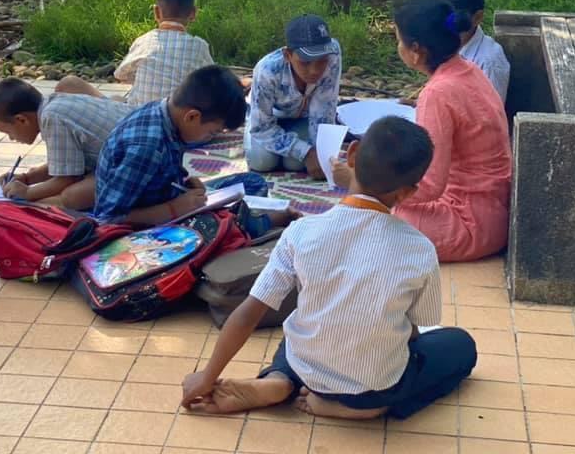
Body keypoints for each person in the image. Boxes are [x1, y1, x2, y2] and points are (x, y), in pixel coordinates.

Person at [181, 116, 477, 420]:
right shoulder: (419, 249)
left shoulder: (301, 232)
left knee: (300, 327)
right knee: (460, 346)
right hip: (372, 387)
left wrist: (207, 376)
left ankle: (279, 380)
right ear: (408, 192)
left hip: (307, 364)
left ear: (352, 155)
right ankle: (372, 408)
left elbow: (248, 314)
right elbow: (415, 330)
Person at [336, 0, 512, 262]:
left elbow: (429, 185)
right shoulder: (469, 71)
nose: (398, 47)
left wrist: (359, 182)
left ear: (416, 50)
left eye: (398, 39)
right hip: (495, 212)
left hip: (470, 223)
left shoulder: (438, 92)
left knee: (376, 215)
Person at [91, 65, 247, 225]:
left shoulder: (166, 114)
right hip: (144, 228)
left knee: (251, 183)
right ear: (192, 116)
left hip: (163, 197)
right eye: (213, 132)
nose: (211, 137)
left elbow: (164, 167)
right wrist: (174, 209)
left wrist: (185, 182)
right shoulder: (146, 148)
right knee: (228, 222)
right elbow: (106, 219)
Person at [56, 0, 215, 106]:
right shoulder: (199, 46)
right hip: (180, 124)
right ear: (193, 14)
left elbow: (120, 75)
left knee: (72, 84)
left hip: (135, 119)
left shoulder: (145, 41)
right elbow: (212, 83)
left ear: (156, 12)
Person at [0, 78, 132, 210]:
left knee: (72, 196)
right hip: (130, 136)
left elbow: (67, 178)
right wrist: (27, 178)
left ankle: (43, 206)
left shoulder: (51, 118)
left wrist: (27, 193)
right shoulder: (55, 102)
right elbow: (66, 163)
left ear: (22, 120)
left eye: (8, 132)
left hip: (133, 160)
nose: (11, 138)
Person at [245, 14, 342, 179]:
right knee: (261, 161)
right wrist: (306, 152)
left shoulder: (332, 55)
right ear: (287, 55)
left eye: (321, 61)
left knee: (295, 164)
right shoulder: (267, 71)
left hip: (303, 118)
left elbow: (324, 110)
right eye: (305, 62)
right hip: (270, 121)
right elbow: (261, 127)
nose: (314, 70)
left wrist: (321, 153)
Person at [439, 0, 510, 102]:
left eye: (453, 21)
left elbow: (490, 116)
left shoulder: (488, 63)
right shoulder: (450, 47)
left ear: (477, 17)